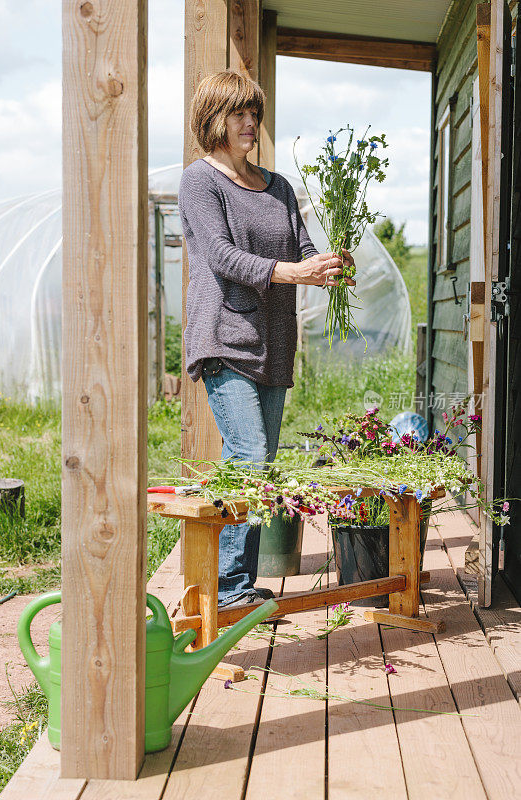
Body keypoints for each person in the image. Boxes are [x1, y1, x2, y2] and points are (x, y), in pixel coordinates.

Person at [178, 69, 356, 608]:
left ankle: (230, 582)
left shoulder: (277, 185)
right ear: (214, 119)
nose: (250, 122)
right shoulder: (199, 181)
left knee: (255, 462)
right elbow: (221, 257)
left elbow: (300, 247)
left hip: (274, 340)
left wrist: (324, 265)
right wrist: (290, 273)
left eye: (254, 112)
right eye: (238, 113)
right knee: (252, 457)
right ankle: (230, 588)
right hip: (225, 335)